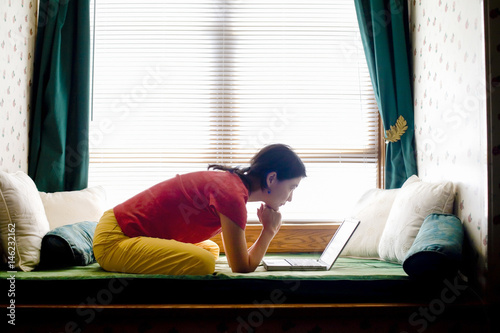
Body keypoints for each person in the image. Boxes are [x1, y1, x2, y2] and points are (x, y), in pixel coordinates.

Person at [93, 144, 306, 275]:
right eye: (292, 187)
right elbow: (241, 267)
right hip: (114, 240)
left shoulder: (233, 187)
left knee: (210, 251)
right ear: (271, 179)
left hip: (114, 227)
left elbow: (238, 260)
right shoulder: (232, 195)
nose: (291, 198)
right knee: (203, 262)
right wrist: (268, 231)